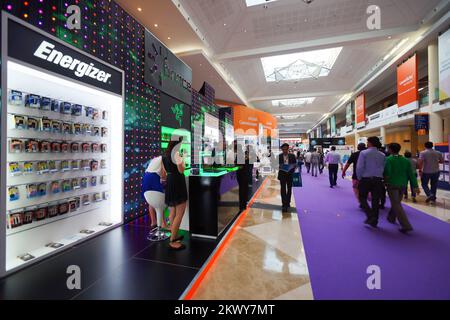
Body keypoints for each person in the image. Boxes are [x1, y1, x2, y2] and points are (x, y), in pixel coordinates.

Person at [384, 143, 419, 234]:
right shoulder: (405, 160)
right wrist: (415, 186)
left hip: (392, 184)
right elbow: (411, 174)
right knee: (397, 203)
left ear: (390, 150)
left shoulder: (388, 160)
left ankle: (406, 225)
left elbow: (388, 173)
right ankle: (391, 217)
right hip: (403, 184)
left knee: (396, 204)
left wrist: (385, 182)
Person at [162, 138, 188, 250]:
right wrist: (184, 159)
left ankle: (174, 234)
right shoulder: (176, 154)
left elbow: (163, 173)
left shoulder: (164, 155)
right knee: (180, 213)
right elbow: (181, 170)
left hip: (170, 181)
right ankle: (173, 240)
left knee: (172, 211)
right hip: (178, 181)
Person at [356, 136, 386, 228]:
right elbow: (383, 167)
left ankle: (370, 215)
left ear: (370, 143)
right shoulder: (382, 155)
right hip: (378, 179)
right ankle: (375, 220)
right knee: (375, 200)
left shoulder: (364, 153)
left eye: (368, 142)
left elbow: (360, 167)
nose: (367, 144)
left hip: (365, 179)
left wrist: (359, 177)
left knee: (362, 198)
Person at [141, 156, 167, 234]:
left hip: (146, 178)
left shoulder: (156, 159)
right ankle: (163, 223)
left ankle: (153, 222)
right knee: (160, 200)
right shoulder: (164, 159)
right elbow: (163, 173)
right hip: (154, 178)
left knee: (151, 201)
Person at [278, 143, 297, 212]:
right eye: (283, 149)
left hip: (290, 174)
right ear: (282, 149)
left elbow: (295, 164)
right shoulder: (279, 156)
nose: (285, 150)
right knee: (283, 189)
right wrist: (279, 166)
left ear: (288, 149)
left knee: (289, 189)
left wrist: (292, 167)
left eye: (286, 149)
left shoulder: (292, 156)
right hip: (282, 174)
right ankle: (284, 204)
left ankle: (288, 202)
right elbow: (275, 165)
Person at [235, 140, 249, 211]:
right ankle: (243, 205)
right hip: (243, 174)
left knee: (242, 190)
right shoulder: (241, 154)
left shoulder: (241, 154)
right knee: (243, 190)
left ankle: (242, 205)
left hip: (242, 174)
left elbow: (241, 165)